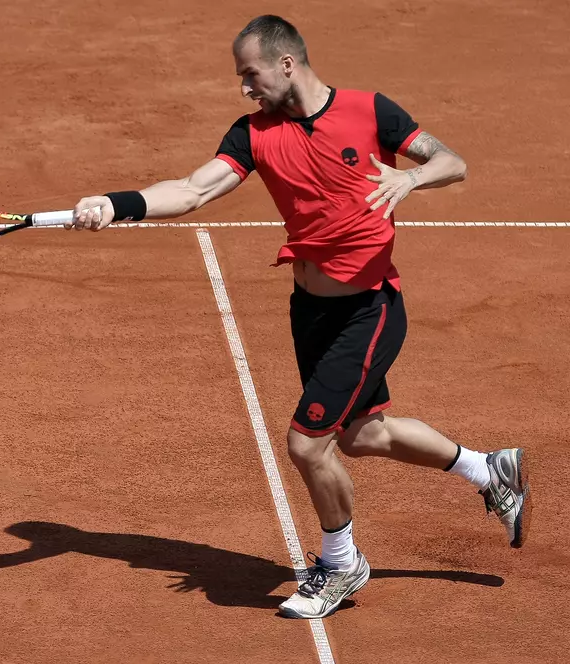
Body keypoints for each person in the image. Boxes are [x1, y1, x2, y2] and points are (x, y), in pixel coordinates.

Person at [67, 14, 531, 619]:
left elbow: (453, 161)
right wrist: (116, 203)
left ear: (286, 64)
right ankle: (487, 468)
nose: (245, 88)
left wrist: (411, 177)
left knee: (308, 445)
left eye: (250, 74)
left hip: (369, 309)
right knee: (363, 435)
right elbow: (190, 190)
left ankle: (341, 564)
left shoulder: (370, 111)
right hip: (309, 312)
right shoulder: (252, 134)